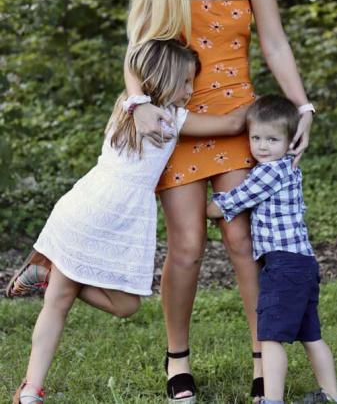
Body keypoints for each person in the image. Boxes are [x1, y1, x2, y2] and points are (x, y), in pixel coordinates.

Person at [124, 0, 315, 403]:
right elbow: (136, 52)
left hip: (239, 121)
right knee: (186, 246)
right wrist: (138, 105)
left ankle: (264, 355)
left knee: (240, 240)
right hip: (181, 124)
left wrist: (303, 106)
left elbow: (274, 42)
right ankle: (177, 360)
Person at [10, 39, 249, 404]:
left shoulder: (128, 106)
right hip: (98, 211)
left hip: (96, 209)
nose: (190, 91)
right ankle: (31, 388)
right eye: (186, 82)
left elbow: (137, 62)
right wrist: (270, 109)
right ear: (164, 78)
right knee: (62, 304)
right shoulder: (161, 114)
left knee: (121, 305)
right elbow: (231, 123)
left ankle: (48, 274)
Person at [207, 95, 337, 404]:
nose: (262, 146)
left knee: (269, 337)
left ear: (290, 140)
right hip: (303, 263)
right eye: (256, 138)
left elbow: (234, 200)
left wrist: (205, 209)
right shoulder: (289, 169)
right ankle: (332, 396)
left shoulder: (269, 172)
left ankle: (272, 399)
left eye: (272, 139)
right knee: (312, 336)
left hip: (283, 266)